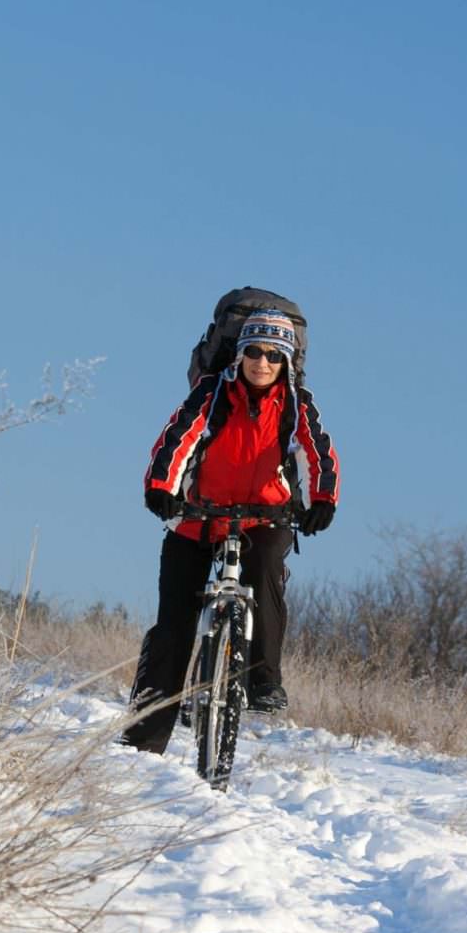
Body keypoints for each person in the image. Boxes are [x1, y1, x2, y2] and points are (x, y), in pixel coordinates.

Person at [121, 305, 339, 753]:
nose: (263, 363)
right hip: (199, 515)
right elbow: (177, 438)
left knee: (264, 572)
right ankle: (144, 740)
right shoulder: (211, 392)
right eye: (254, 352)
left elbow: (316, 450)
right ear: (239, 355)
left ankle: (263, 681)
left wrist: (321, 499)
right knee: (174, 624)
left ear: (286, 361)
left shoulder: (297, 402)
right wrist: (162, 487)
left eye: (273, 355)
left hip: (266, 516)